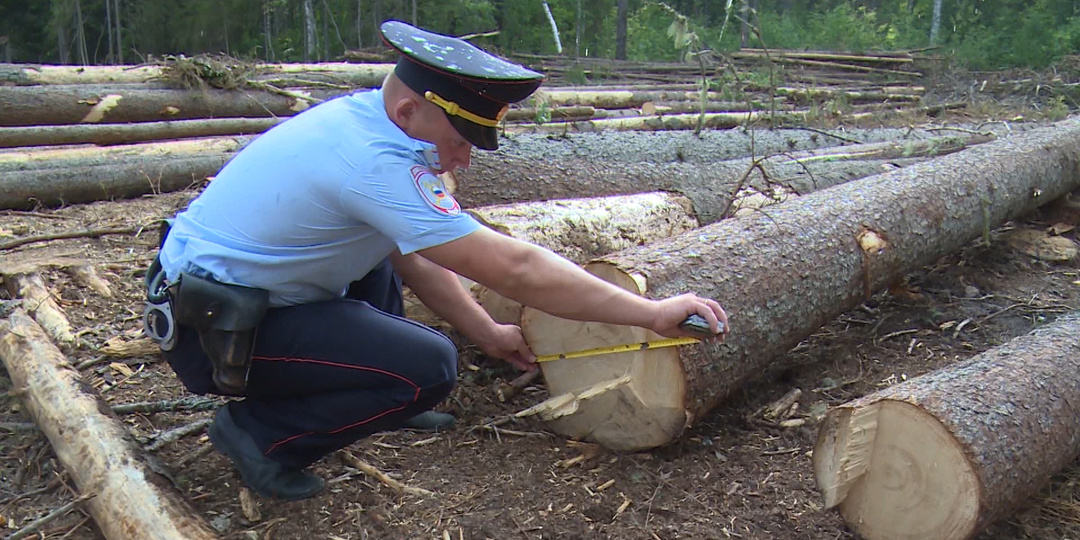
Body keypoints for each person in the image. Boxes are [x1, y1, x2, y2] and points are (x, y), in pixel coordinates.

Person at [143, 20, 729, 502]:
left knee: (380, 258)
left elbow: (412, 253)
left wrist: (488, 331)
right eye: (459, 140)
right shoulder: (374, 161)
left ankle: (381, 394)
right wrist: (649, 313)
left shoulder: (364, 119)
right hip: (214, 331)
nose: (464, 160)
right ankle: (260, 435)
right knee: (430, 366)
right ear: (408, 111)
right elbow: (515, 269)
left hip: (229, 301)